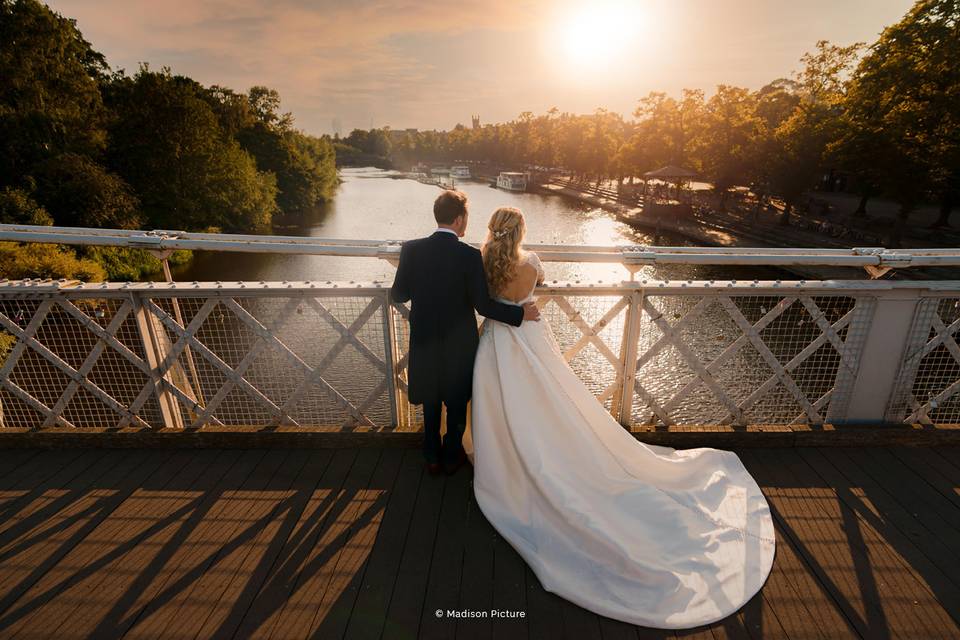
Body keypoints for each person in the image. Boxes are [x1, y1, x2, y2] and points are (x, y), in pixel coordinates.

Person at [465, 206, 776, 629]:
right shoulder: (532, 262)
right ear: (522, 229)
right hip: (530, 335)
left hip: (496, 340)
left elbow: (486, 300)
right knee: (552, 402)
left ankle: (504, 460)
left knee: (500, 403)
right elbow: (531, 291)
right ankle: (553, 450)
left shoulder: (482, 260)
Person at [389, 190, 540, 476]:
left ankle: (431, 456)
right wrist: (520, 314)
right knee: (457, 403)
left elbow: (399, 294)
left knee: (431, 401)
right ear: (459, 220)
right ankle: (451, 456)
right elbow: (483, 305)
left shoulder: (411, 249)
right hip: (459, 344)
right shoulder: (469, 256)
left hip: (424, 342)